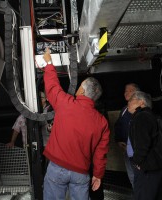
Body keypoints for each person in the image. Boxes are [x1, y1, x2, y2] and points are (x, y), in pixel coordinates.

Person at [42, 48, 110, 200]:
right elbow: (101, 152)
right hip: (81, 173)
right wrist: (98, 175)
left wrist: (48, 63)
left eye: (80, 86)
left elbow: (52, 87)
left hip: (58, 168)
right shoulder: (102, 122)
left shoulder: (66, 103)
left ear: (82, 92)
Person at [127, 91, 162, 200]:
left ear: (141, 102)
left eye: (131, 99)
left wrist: (137, 161)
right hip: (153, 166)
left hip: (147, 168)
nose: (128, 102)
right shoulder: (148, 115)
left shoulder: (142, 117)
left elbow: (143, 144)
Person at [114, 83, 140, 188]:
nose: (126, 93)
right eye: (125, 90)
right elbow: (118, 126)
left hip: (138, 153)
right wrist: (118, 140)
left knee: (141, 179)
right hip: (127, 152)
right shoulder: (124, 109)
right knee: (132, 178)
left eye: (130, 90)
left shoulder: (142, 108)